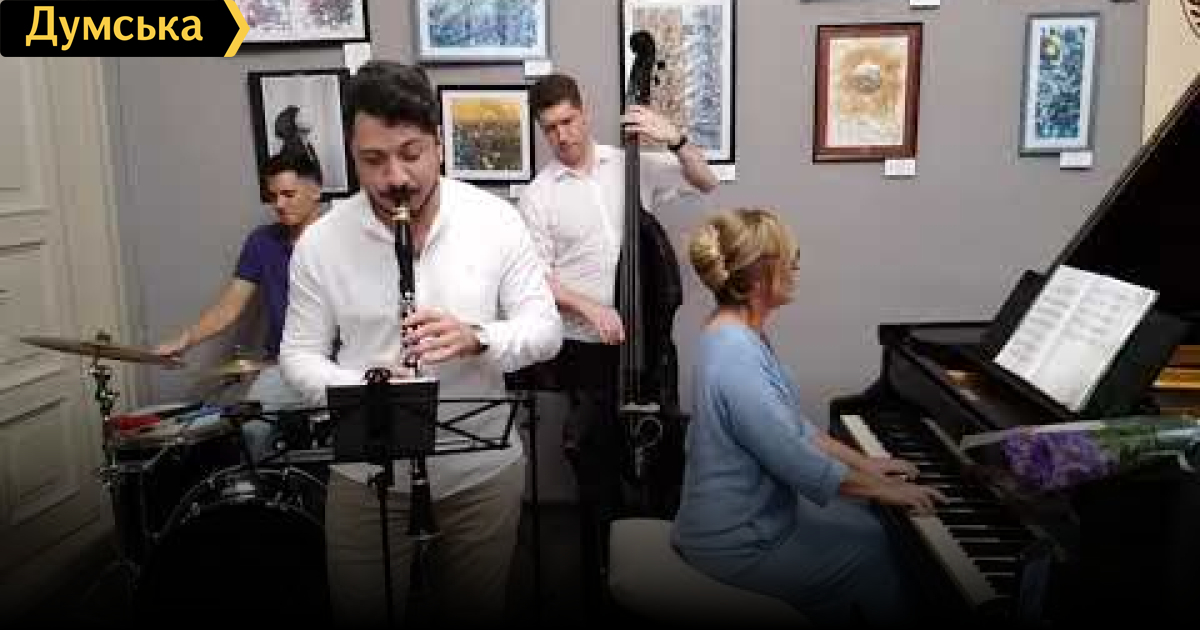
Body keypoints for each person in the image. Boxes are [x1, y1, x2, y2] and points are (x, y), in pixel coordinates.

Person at [278, 60, 562, 627]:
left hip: (479, 471)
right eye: (373, 160)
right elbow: (298, 355)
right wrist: (364, 386)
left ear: (439, 143)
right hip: (367, 475)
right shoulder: (321, 242)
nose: (395, 178)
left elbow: (546, 329)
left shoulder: (495, 221)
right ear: (352, 154)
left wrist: (478, 337)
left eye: (411, 153)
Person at [674, 207, 946, 628]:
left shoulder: (738, 332)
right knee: (876, 548)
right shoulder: (735, 358)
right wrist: (884, 490)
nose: (797, 266)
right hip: (738, 545)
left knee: (870, 522)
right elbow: (795, 461)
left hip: (755, 521)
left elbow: (792, 425)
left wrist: (867, 465)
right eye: (790, 257)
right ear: (758, 278)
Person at [516, 72, 718, 607]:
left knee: (662, 461)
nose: (561, 135)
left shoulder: (629, 164)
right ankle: (600, 586)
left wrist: (674, 138)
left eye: (567, 121)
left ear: (585, 112)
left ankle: (666, 582)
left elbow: (706, 181)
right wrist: (590, 308)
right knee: (597, 473)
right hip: (586, 350)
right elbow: (537, 277)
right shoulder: (539, 195)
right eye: (549, 128)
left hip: (649, 345)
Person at [155, 150, 324, 461]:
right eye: (273, 196)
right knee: (251, 435)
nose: (279, 204)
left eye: (288, 194)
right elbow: (230, 307)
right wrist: (185, 340)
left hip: (341, 367)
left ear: (316, 190)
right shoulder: (262, 242)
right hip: (284, 367)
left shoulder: (345, 238)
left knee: (347, 452)